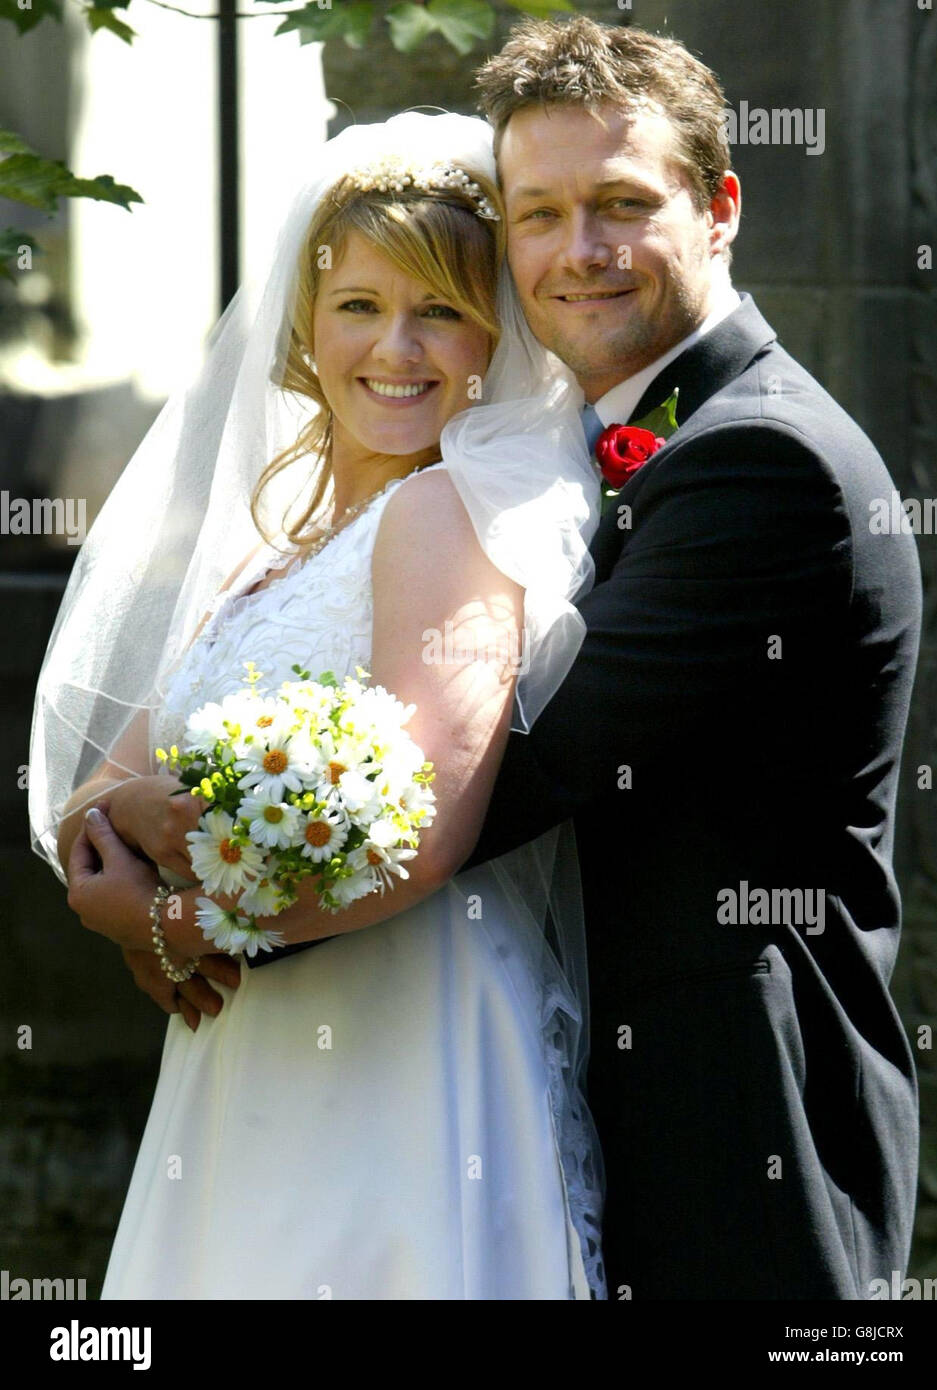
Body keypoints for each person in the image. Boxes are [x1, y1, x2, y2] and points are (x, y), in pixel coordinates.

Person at [29, 112, 606, 1300]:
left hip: (399, 1029)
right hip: (250, 1038)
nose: (397, 348)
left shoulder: (446, 515)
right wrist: (123, 859)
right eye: (360, 306)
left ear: (492, 333)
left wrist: (175, 921)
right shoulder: (268, 555)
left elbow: (419, 831)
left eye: (440, 309)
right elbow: (100, 785)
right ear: (306, 324)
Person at [463, 17, 922, 1298]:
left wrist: (227, 887)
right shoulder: (615, 438)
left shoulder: (757, 460)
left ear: (719, 207)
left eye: (620, 203)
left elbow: (532, 765)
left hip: (740, 1127)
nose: (577, 252)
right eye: (538, 213)